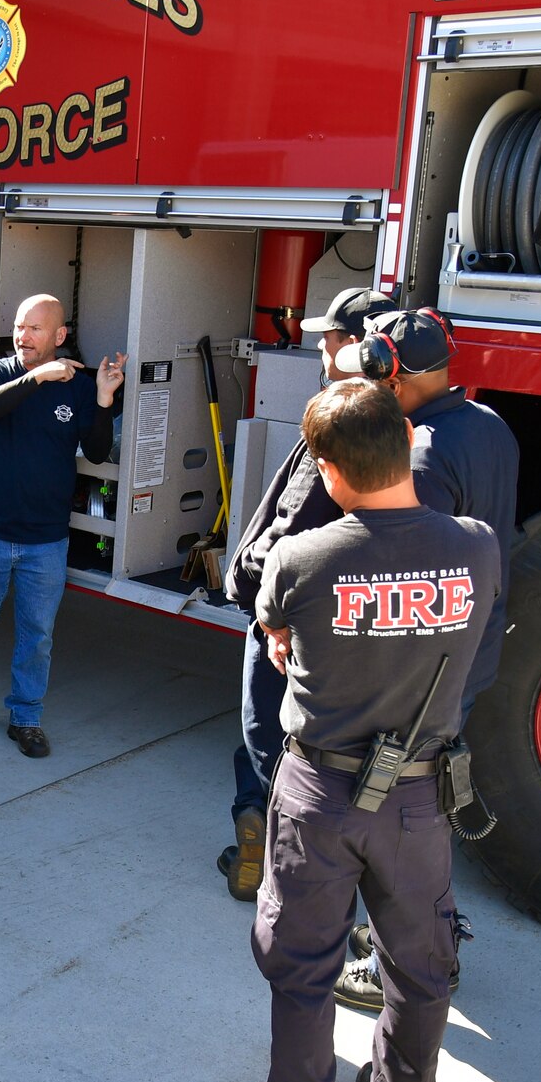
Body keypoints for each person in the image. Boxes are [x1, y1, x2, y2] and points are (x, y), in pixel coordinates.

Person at [245, 377, 500, 1082]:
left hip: (320, 792)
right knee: (422, 963)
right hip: (421, 797)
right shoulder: (477, 544)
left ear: (327, 467)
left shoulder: (302, 556)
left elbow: (274, 629)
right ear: (405, 446)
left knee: (304, 963)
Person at [324, 308, 518, 1010]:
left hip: (422, 672)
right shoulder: (488, 424)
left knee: (395, 817)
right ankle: (423, 931)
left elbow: (406, 572)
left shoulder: (426, 453)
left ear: (390, 373)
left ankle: (405, 957)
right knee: (426, 802)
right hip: (469, 655)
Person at [220, 287, 396, 900]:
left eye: (327, 336)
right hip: (344, 623)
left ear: (352, 345)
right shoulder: (402, 428)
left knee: (269, 734)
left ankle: (278, 865)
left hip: (291, 618)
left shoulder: (343, 418)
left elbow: (290, 525)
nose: (318, 346)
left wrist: (243, 581)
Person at [0, 294, 125, 758]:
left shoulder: (76, 386)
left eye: (35, 329)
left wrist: (104, 399)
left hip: (46, 540)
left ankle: (26, 717)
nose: (23, 336)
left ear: (59, 336)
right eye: (19, 326)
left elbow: (94, 450)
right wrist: (35, 376)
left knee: (38, 635)